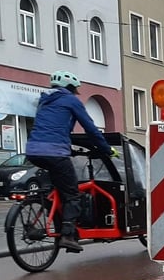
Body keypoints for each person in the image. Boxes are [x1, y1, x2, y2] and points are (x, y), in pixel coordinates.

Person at [26, 71, 113, 253]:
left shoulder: (44, 101)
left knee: (58, 187)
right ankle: (67, 235)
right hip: (55, 152)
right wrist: (106, 149)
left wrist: (69, 149)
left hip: (33, 150)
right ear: (71, 88)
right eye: (75, 90)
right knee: (72, 194)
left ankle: (51, 211)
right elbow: (90, 128)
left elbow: (50, 128)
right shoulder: (72, 101)